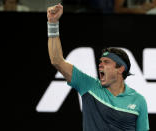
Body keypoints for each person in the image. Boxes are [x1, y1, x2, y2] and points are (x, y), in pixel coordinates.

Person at [47, 3, 149, 131]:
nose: (100, 64)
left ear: (120, 69)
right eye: (100, 61)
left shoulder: (139, 101)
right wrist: (52, 23)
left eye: (106, 62)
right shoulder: (89, 85)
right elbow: (57, 60)